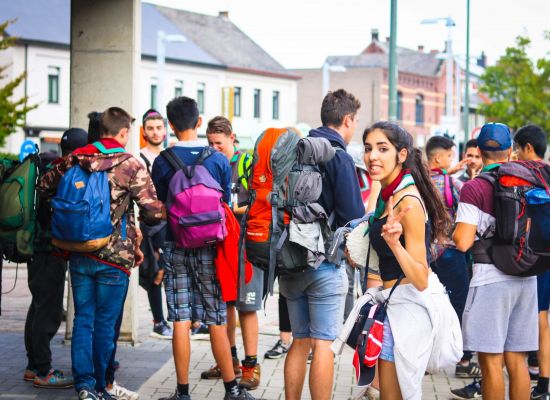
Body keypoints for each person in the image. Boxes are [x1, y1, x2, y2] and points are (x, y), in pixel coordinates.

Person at [37, 107, 164, 400]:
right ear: (123, 133)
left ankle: (83, 385)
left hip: (78, 251)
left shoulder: (73, 159)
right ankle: (102, 386)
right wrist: (140, 223)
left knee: (83, 319)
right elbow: (153, 211)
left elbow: (43, 188)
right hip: (114, 256)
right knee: (106, 323)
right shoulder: (130, 164)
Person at [151, 96, 255, 400]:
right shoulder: (219, 160)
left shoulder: (162, 161)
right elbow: (223, 202)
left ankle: (182, 393)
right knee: (216, 318)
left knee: (181, 318)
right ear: (199, 123)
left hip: (175, 243)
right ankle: (231, 390)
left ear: (170, 125)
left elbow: (162, 202)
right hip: (212, 244)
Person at [279, 89, 364, 400]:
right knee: (323, 344)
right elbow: (353, 216)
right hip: (325, 265)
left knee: (299, 341)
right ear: (346, 120)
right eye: (355, 122)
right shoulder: (339, 157)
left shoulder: (292, 151)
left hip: (289, 261)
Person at [363, 121, 452, 398]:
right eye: (368, 148)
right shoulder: (387, 193)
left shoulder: (407, 201)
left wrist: (394, 245)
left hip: (407, 310)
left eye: (382, 148)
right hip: (391, 306)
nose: (372, 156)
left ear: (401, 155)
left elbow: (421, 277)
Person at [451, 122, 538, 400]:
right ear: (511, 151)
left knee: (491, 364)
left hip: (490, 280)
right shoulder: (528, 181)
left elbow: (463, 241)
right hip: (526, 276)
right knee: (518, 362)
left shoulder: (474, 187)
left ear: (478, 150)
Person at [23, 128, 88, 389]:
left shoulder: (48, 168)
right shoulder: (65, 173)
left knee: (38, 305)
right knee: (48, 311)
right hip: (50, 250)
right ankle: (43, 370)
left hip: (36, 247)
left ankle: (32, 366)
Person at [203, 116, 262, 389]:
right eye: (211, 142)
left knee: (247, 307)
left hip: (247, 245)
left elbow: (255, 204)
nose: (215, 148)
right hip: (221, 246)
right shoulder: (208, 165)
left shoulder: (247, 164)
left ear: (232, 138)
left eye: (220, 143)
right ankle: (230, 361)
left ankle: (251, 366)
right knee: (225, 304)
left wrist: (223, 208)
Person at [424, 136, 481, 380]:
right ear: (439, 158)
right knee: (461, 305)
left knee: (428, 306)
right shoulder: (454, 185)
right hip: (451, 252)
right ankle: (464, 359)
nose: (452, 160)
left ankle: (425, 358)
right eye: (449, 156)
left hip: (425, 255)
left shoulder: (420, 183)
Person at [513, 124, 550, 400]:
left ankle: (535, 381)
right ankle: (544, 384)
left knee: (536, 318)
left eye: (517, 148)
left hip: (535, 255)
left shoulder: (525, 174)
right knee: (544, 319)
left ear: (527, 147)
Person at [138, 108, 173, 340]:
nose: (155, 132)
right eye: (150, 128)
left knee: (169, 269)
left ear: (166, 129)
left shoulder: (171, 156)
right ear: (144, 131)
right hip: (147, 225)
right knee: (154, 272)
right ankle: (158, 321)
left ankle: (175, 319)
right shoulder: (138, 158)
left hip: (169, 222)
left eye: (159, 127)